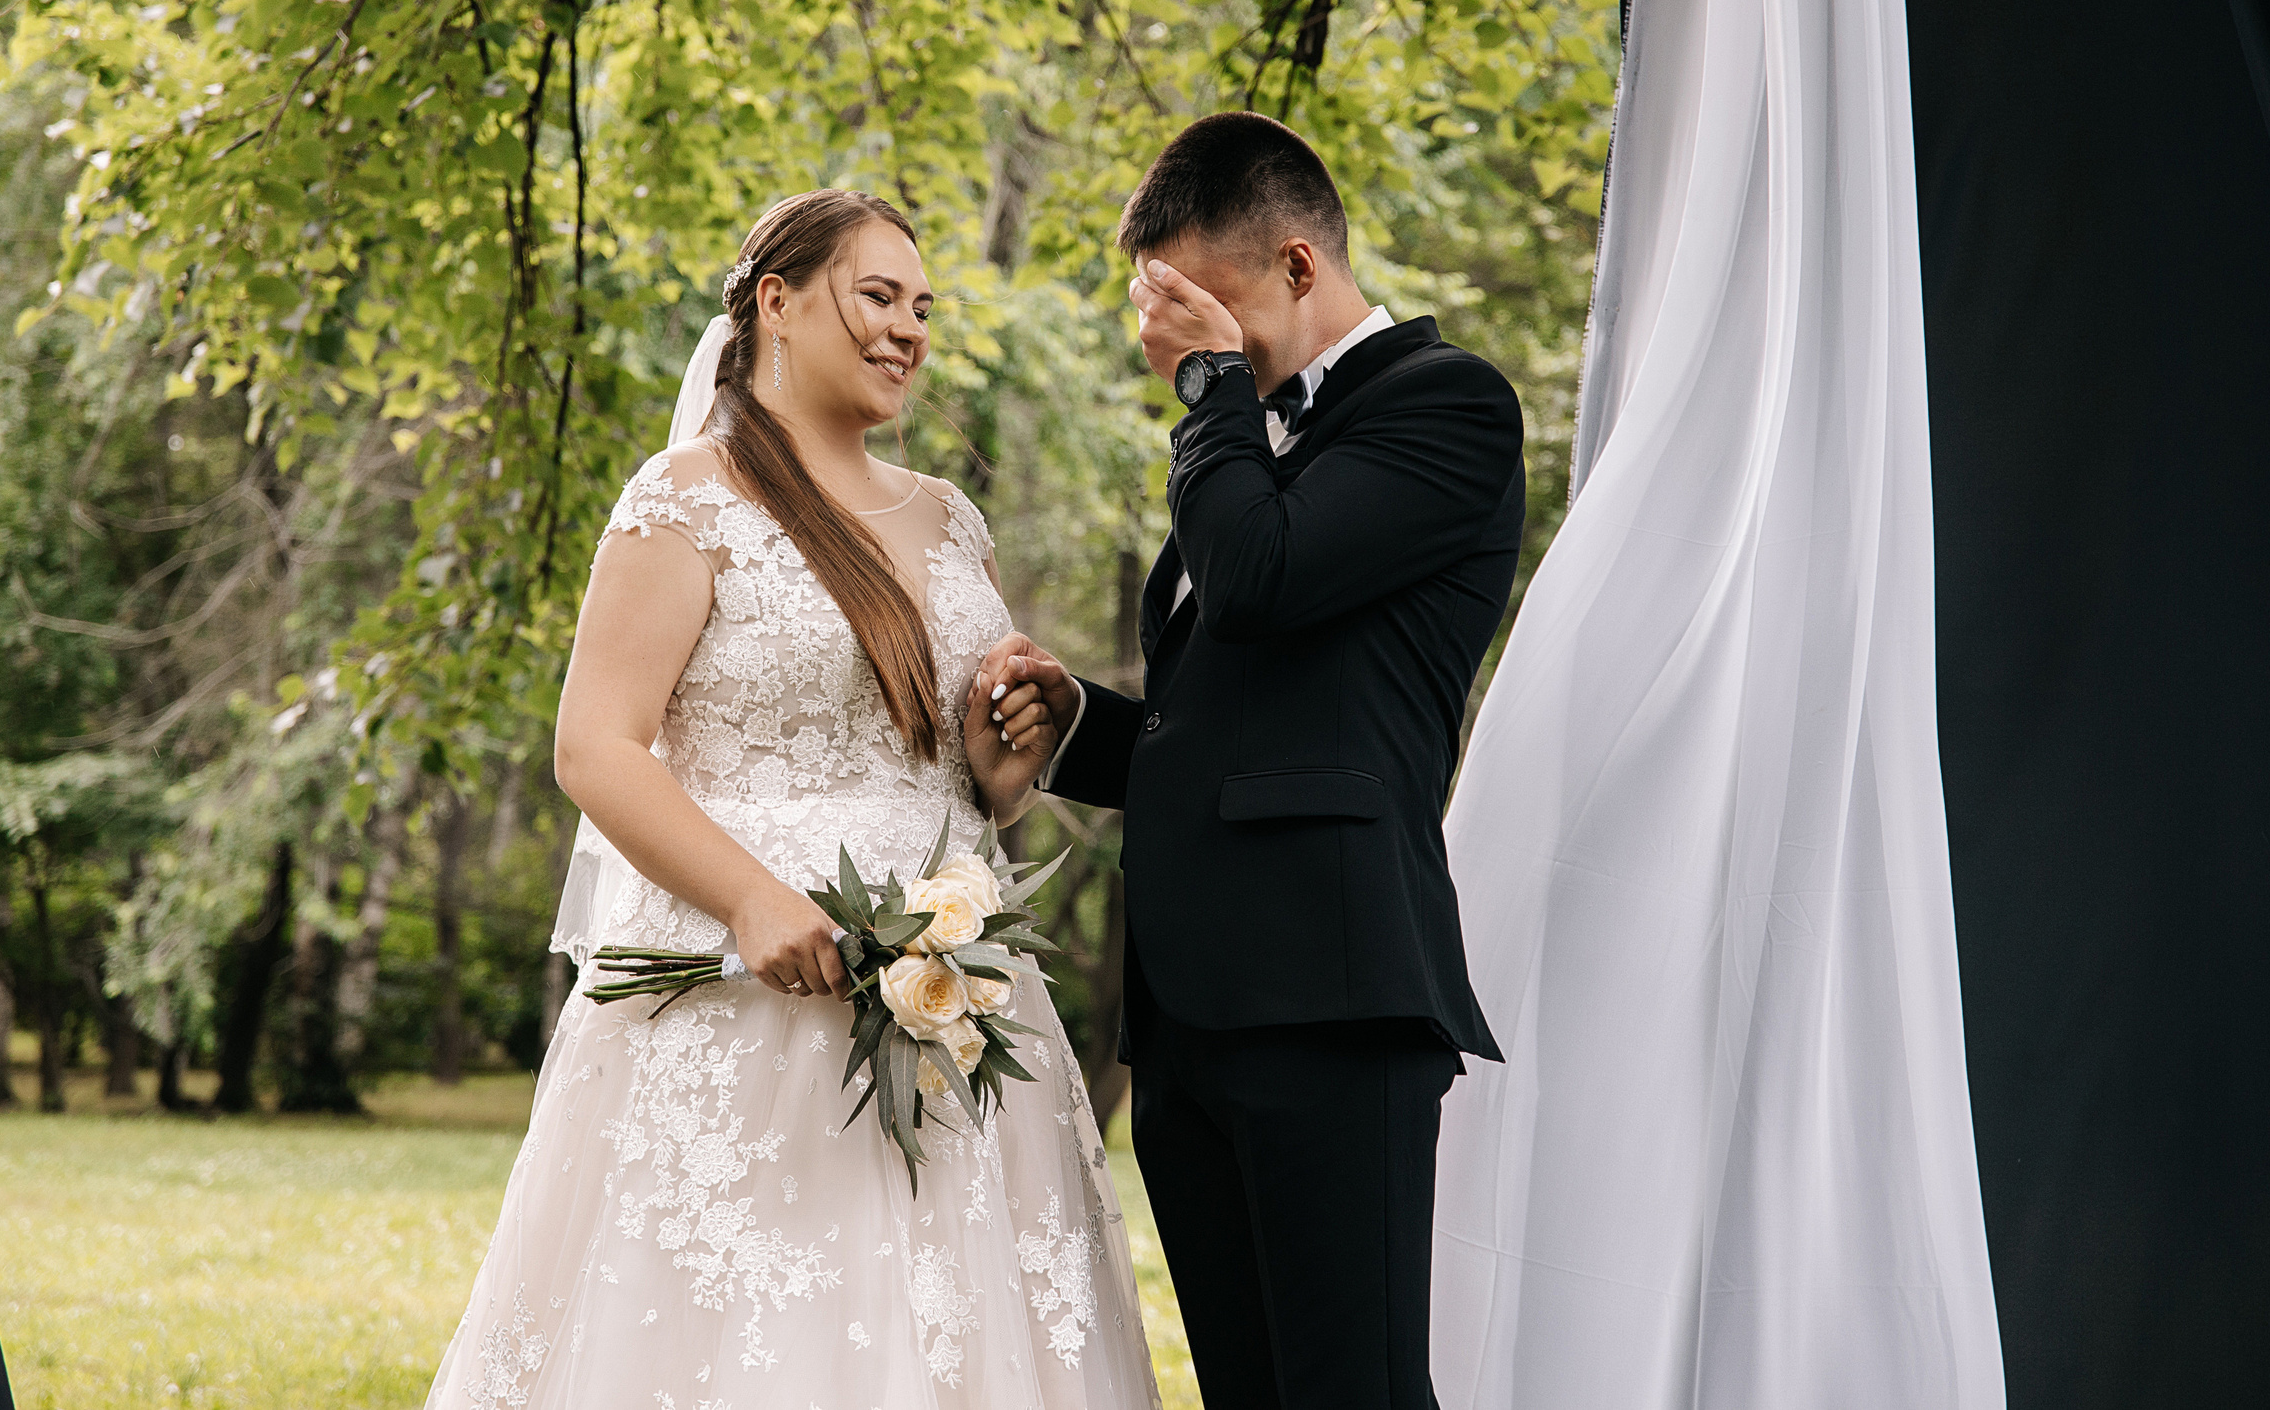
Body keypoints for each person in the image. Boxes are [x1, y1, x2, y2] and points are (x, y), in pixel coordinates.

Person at [425, 190, 1159, 1410]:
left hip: (955, 995)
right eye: (877, 297)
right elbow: (596, 748)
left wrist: (1006, 765)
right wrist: (754, 902)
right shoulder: (689, 498)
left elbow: (957, 781)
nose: (908, 331)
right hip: (743, 993)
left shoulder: (947, 517)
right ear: (777, 300)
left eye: (924, 309)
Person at [964, 113, 1525, 1410]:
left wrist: (1207, 395)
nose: (1184, 346)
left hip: (1330, 997)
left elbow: (1262, 580)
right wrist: (1086, 724)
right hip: (1191, 1019)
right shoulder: (1254, 444)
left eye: (1207, 310)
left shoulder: (1446, 404)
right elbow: (1236, 711)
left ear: (1296, 264)